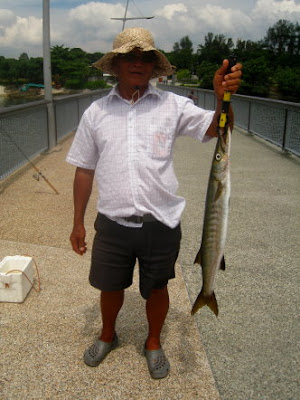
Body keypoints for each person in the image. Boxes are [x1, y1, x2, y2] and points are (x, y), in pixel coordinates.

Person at [66, 27, 242, 379]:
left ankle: (153, 341)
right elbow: (84, 170)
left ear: (154, 67)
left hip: (160, 222)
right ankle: (107, 334)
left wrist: (223, 98)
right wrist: (78, 221)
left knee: (158, 287)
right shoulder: (96, 113)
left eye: (145, 58)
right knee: (109, 286)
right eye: (129, 57)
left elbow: (214, 129)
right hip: (113, 222)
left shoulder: (172, 105)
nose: (137, 63)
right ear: (115, 66)